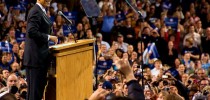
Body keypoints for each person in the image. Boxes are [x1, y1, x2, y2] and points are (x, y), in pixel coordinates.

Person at [23, 0, 58, 100]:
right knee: (34, 94)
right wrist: (49, 37)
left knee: (36, 94)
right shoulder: (35, 11)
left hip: (39, 59)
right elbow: (31, 31)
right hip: (35, 60)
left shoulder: (41, 10)